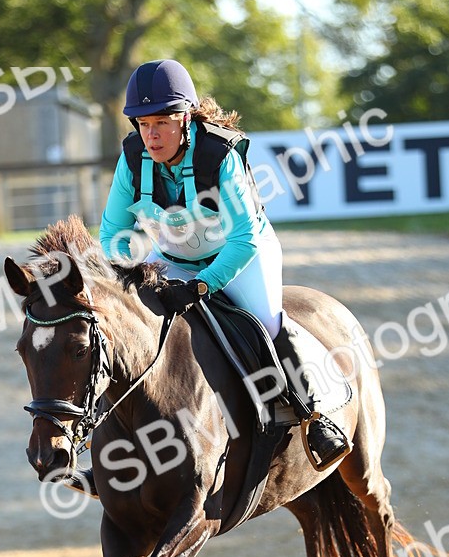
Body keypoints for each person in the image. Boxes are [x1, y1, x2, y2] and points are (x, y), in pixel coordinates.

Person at [99, 58, 350, 471]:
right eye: (143, 124)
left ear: (185, 117)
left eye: (161, 121)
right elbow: (113, 234)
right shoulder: (132, 158)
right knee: (130, 327)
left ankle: (314, 415)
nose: (151, 134)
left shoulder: (219, 155)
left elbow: (243, 238)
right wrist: (132, 273)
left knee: (266, 323)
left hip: (242, 254)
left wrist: (202, 285)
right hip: (174, 259)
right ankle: (108, 437)